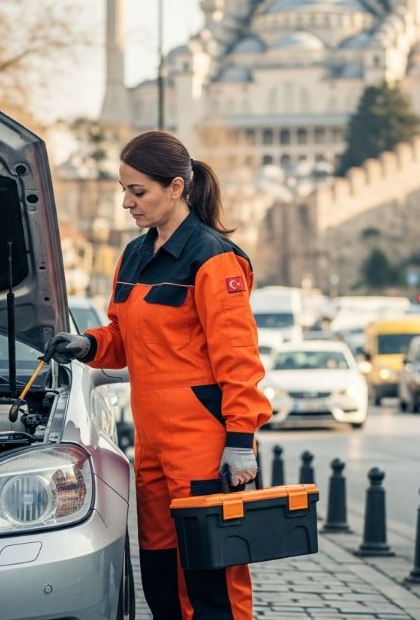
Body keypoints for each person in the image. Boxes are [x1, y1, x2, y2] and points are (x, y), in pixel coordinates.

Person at [44, 130, 272, 620]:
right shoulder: (134, 256)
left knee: (213, 587)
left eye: (137, 191)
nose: (126, 202)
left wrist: (240, 440)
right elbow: (124, 336)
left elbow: (238, 359)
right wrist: (88, 345)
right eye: (123, 190)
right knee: (162, 580)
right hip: (151, 446)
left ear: (175, 187)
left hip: (203, 446)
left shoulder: (214, 258)